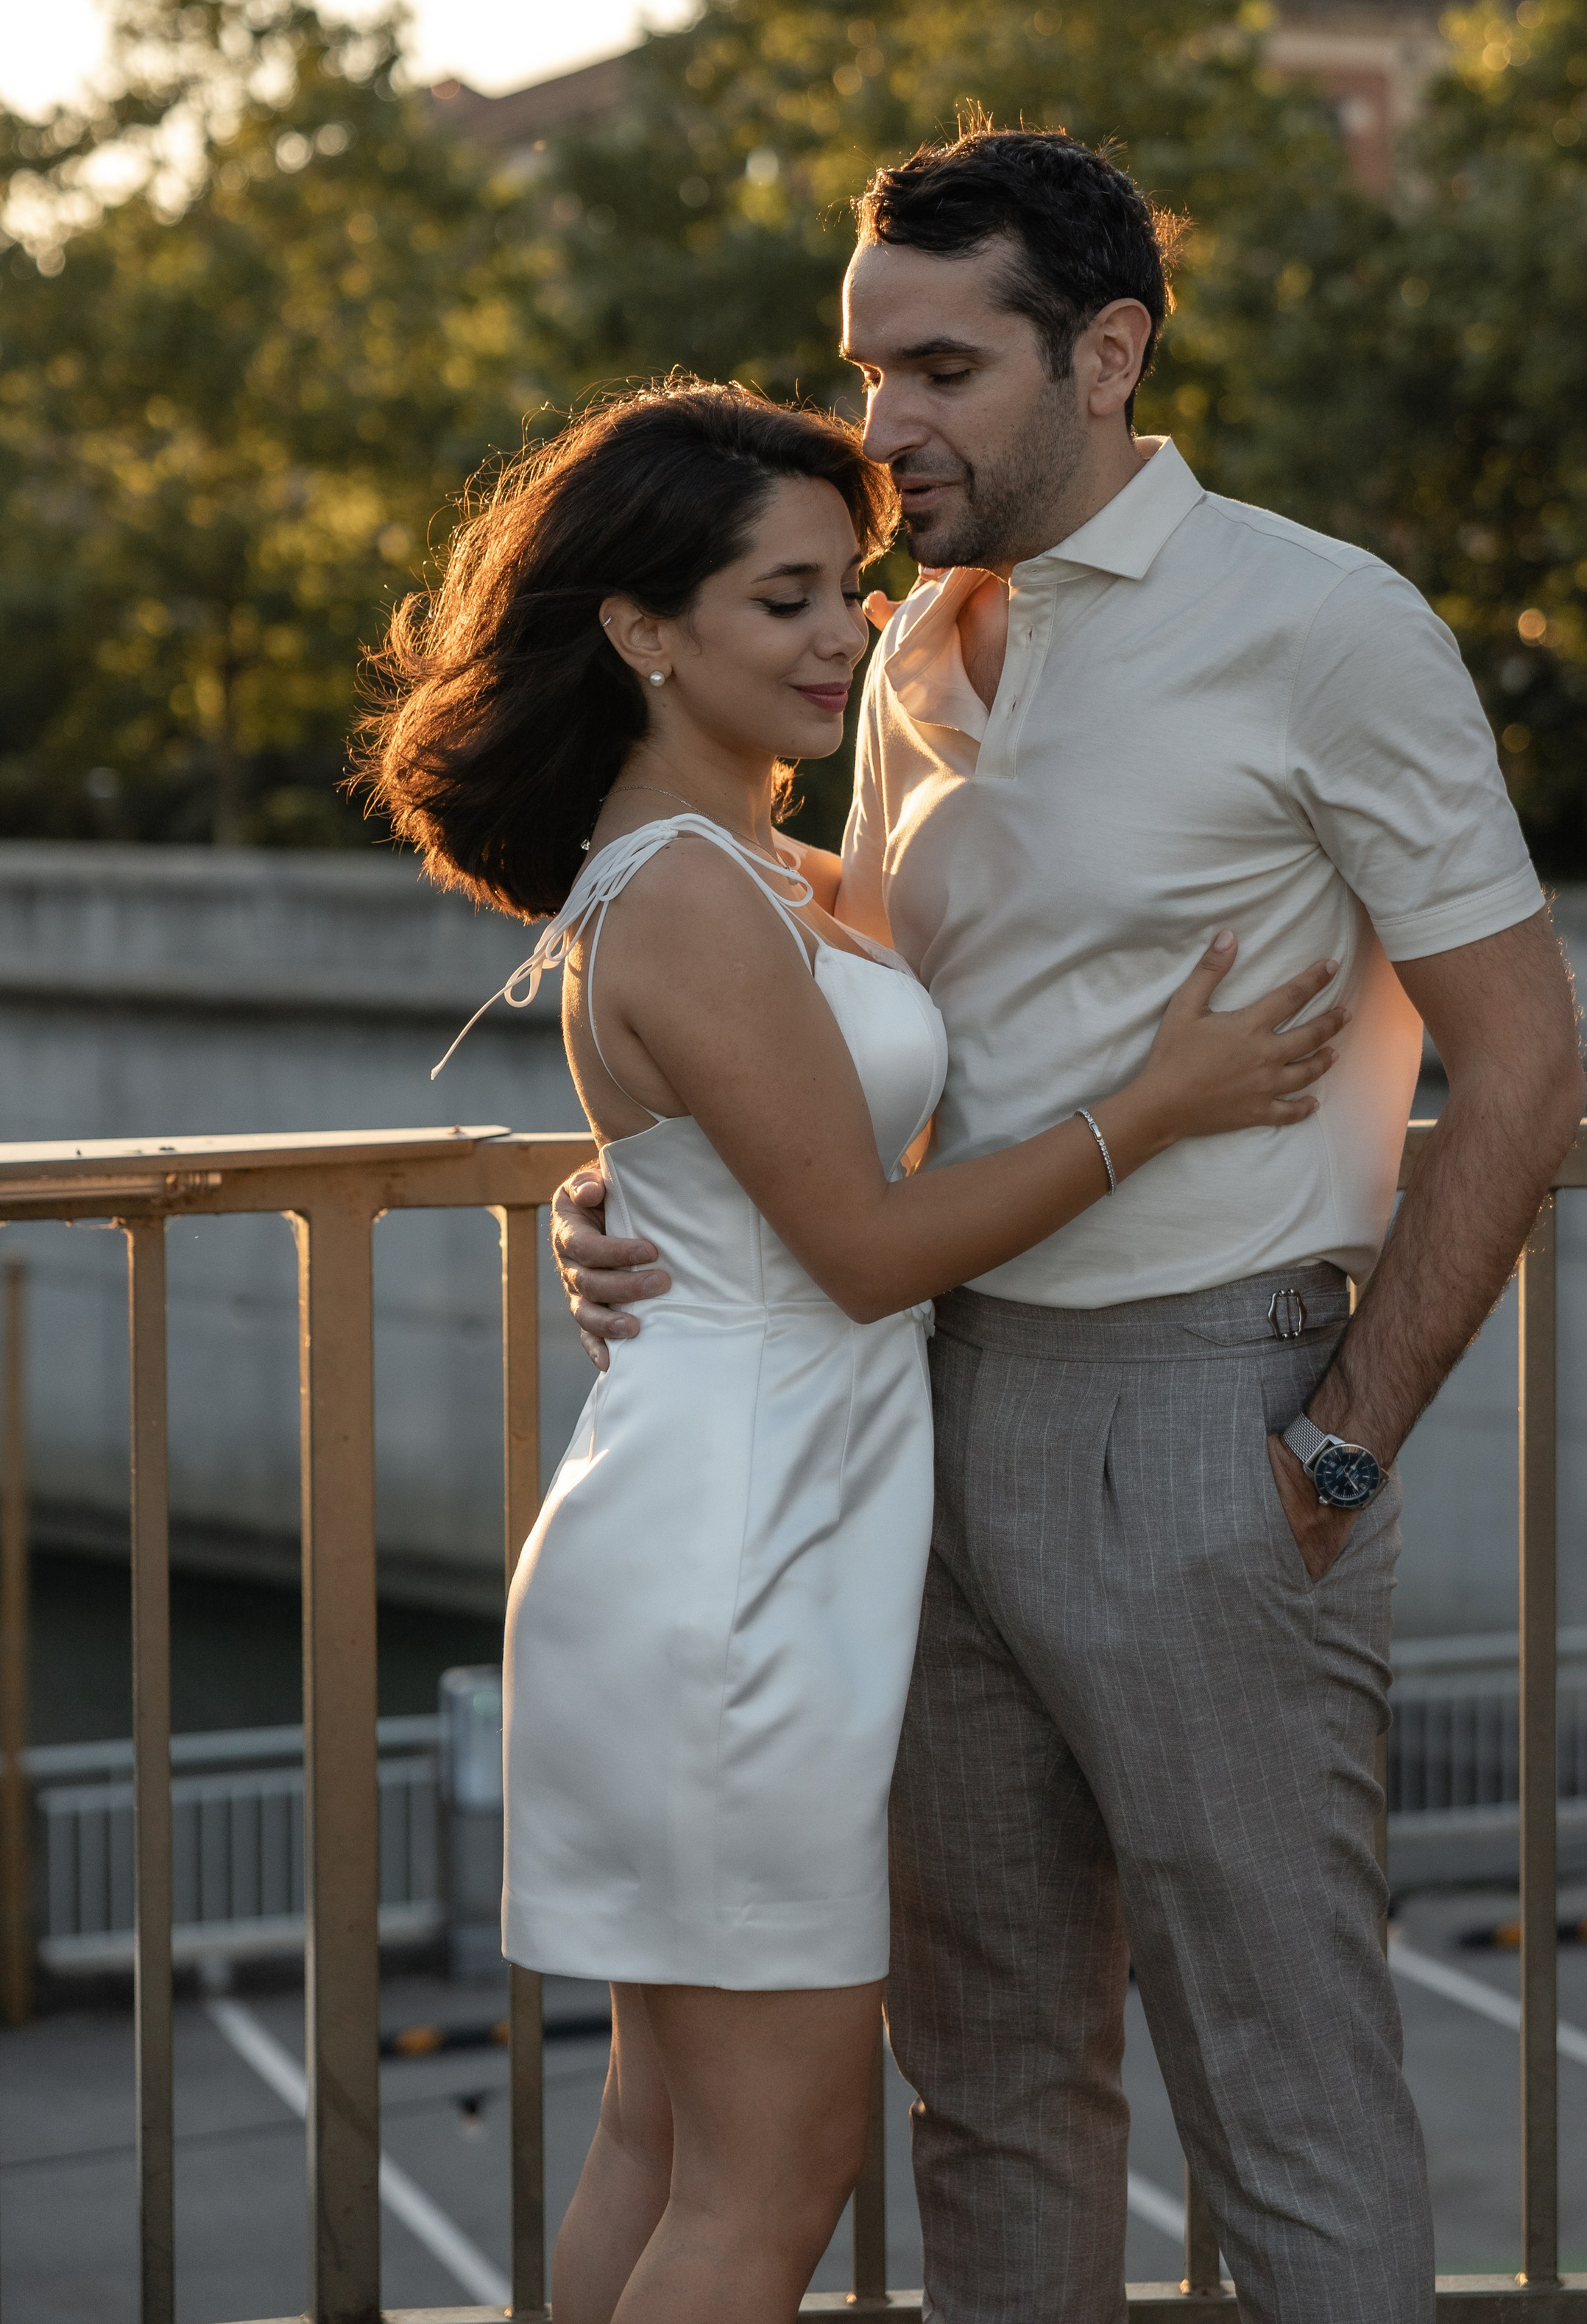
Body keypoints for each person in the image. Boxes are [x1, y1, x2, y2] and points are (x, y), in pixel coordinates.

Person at [556, 132, 1587, 2323]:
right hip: (911, 1423)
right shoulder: (901, 648)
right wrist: (636, 1176)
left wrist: (1341, 1439)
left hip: (1213, 1417)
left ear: (1106, 352)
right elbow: (813, 1006)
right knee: (991, 2096)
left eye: (942, 367)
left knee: (1285, 2104)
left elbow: (1525, 1063)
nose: (883, 425)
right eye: (866, 367)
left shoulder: (1323, 626)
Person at [355, 378, 1350, 2324]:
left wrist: (611, 1190)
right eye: (784, 602)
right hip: (739, 1571)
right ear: (646, 632)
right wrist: (1165, 1097)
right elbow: (870, 1249)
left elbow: (737, 1154)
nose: (839, 639)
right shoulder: (692, 901)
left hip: (743, 1529)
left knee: (664, 2143)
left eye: (848, 591)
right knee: (769, 2168)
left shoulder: (758, 877)